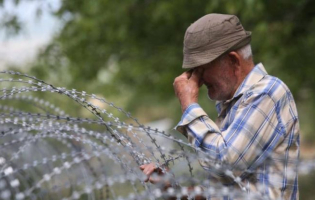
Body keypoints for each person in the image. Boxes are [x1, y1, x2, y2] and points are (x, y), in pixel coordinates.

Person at [140, 13, 300, 200]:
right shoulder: (233, 107)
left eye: (202, 68)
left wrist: (189, 105)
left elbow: (227, 167)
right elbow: (222, 191)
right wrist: (171, 187)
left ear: (233, 61)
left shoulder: (267, 93)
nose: (197, 79)